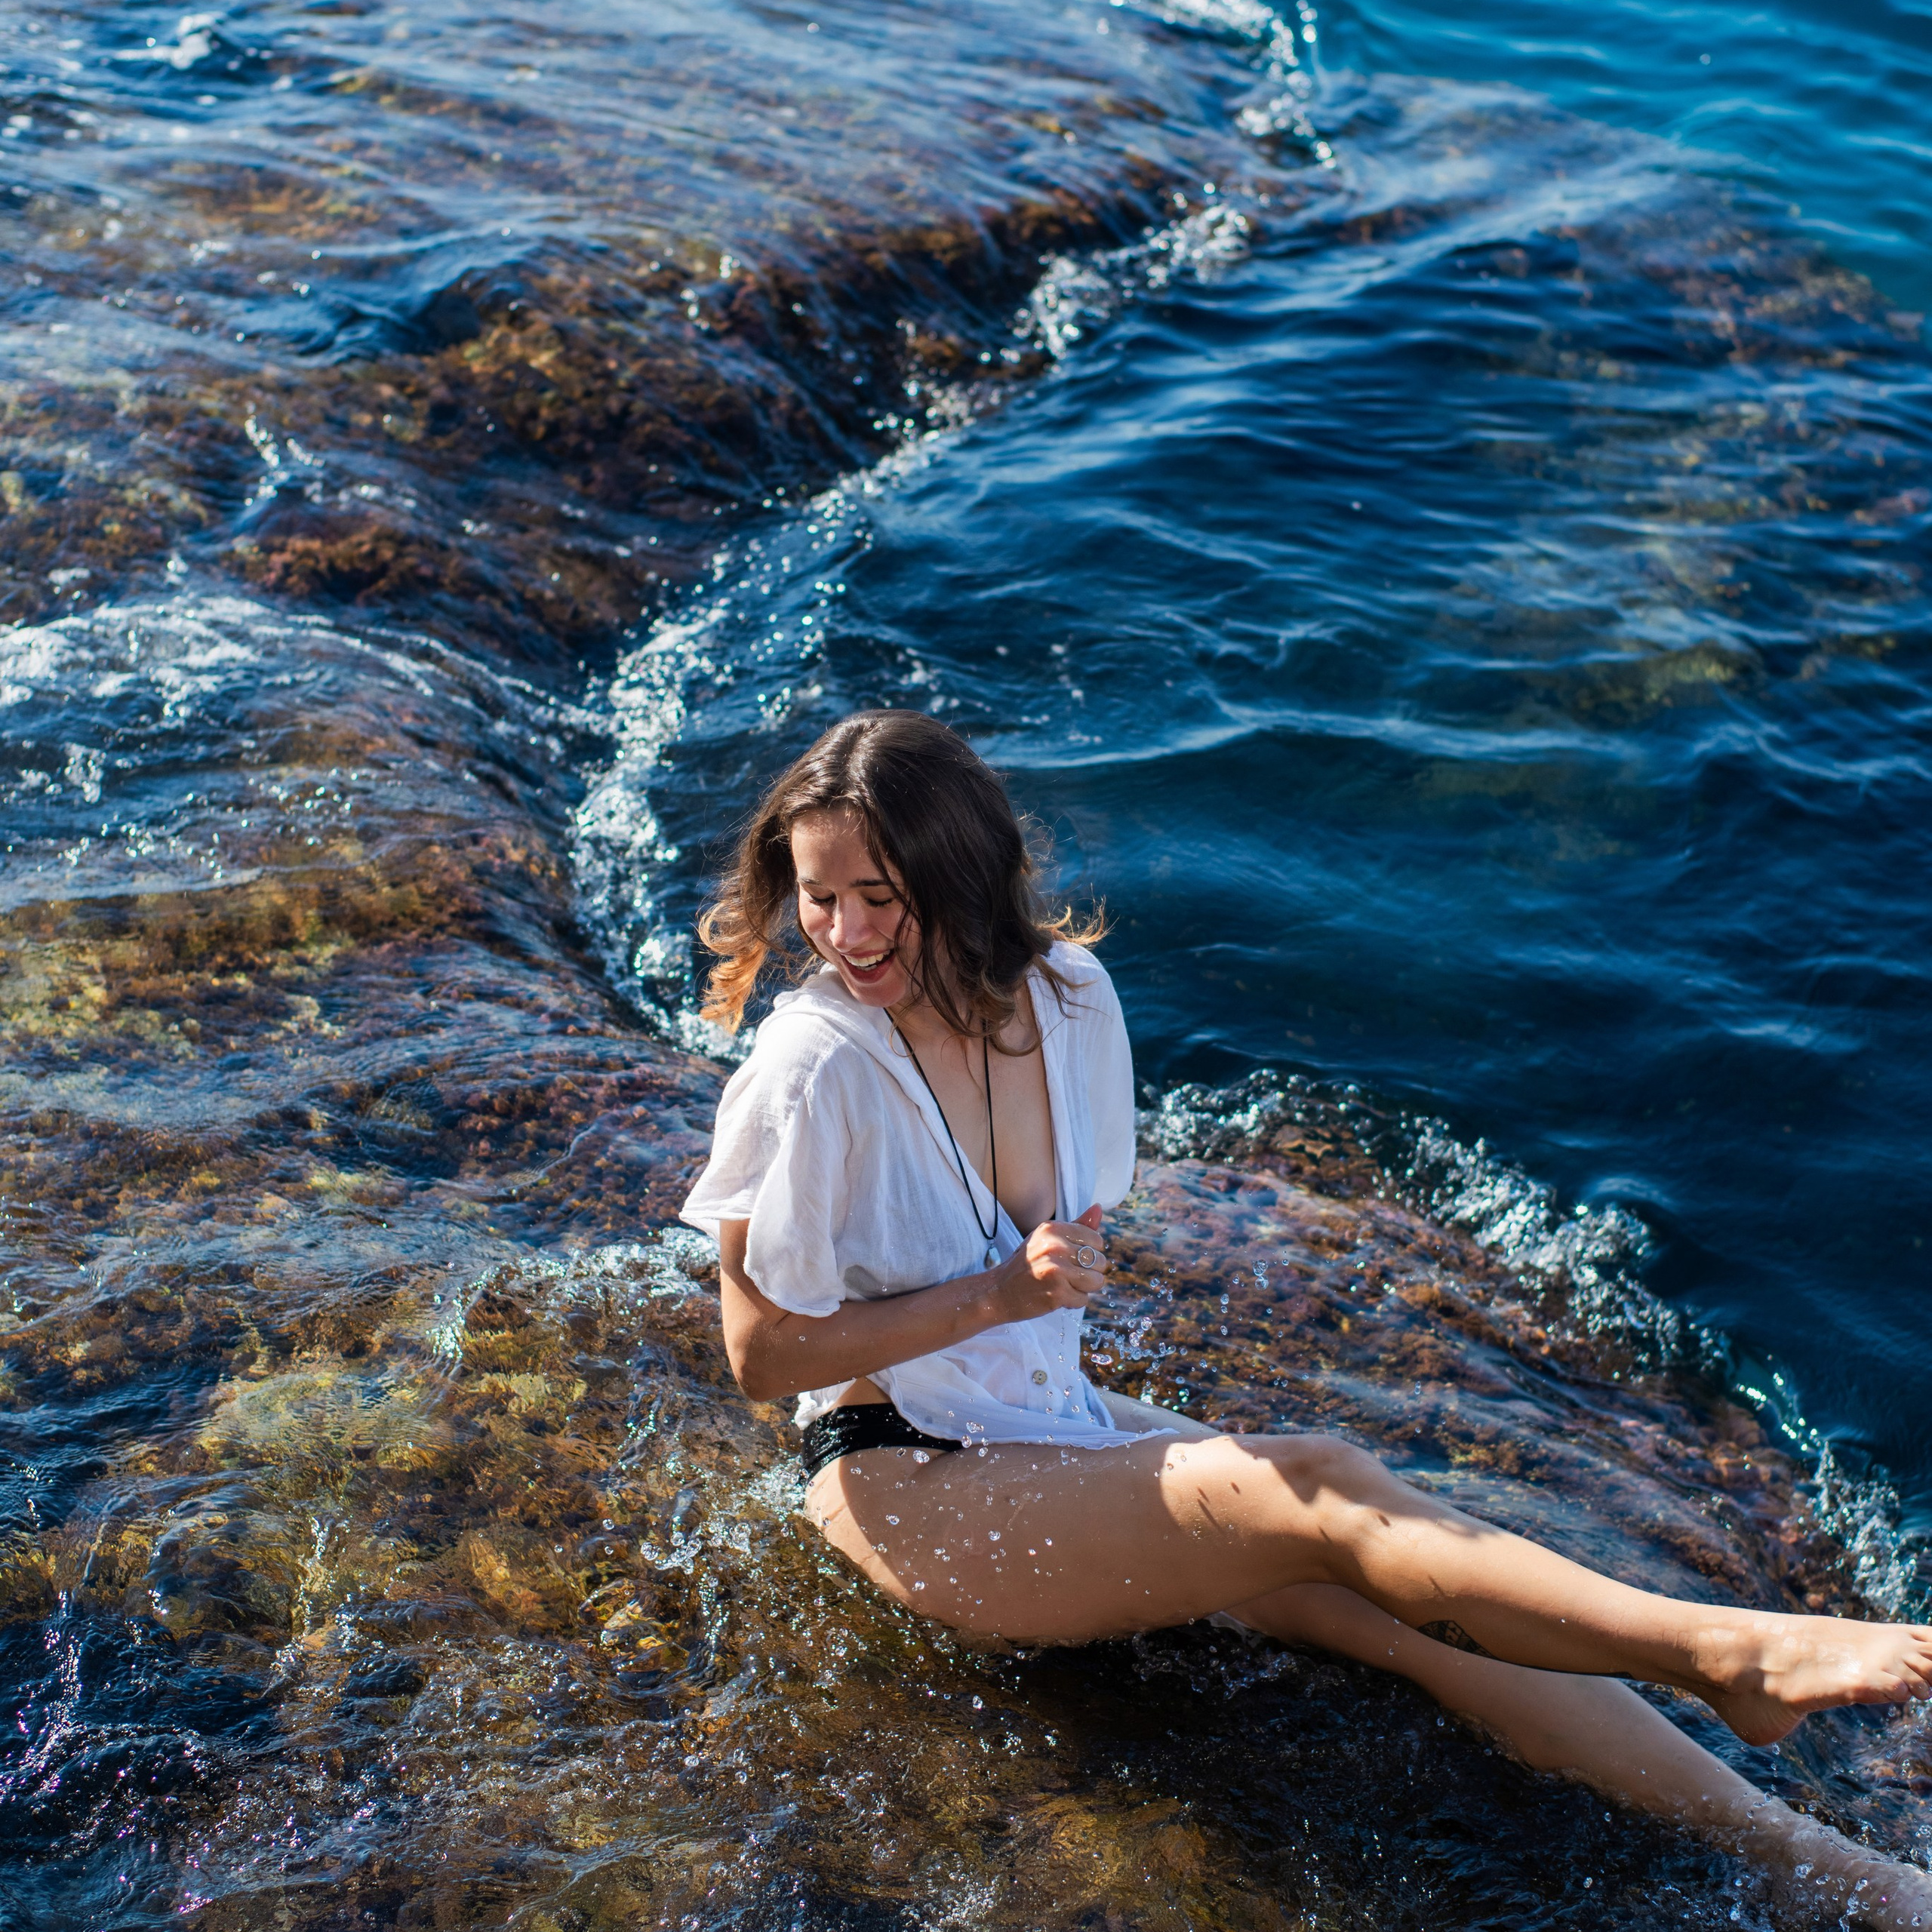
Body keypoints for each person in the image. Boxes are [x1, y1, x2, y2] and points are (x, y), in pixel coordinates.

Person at [681, 708, 1932, 1929]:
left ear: (958, 874)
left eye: (878, 896)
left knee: (1402, 1594)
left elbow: (1061, 1222)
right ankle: (1727, 1657)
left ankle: (1802, 1855)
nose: (844, 933)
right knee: (1317, 1485)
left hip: (1038, 1423)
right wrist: (1007, 1293)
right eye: (818, 894)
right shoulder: (813, 1071)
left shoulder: (1066, 1002)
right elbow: (761, 1356)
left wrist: (1040, 1285)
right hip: (904, 1473)